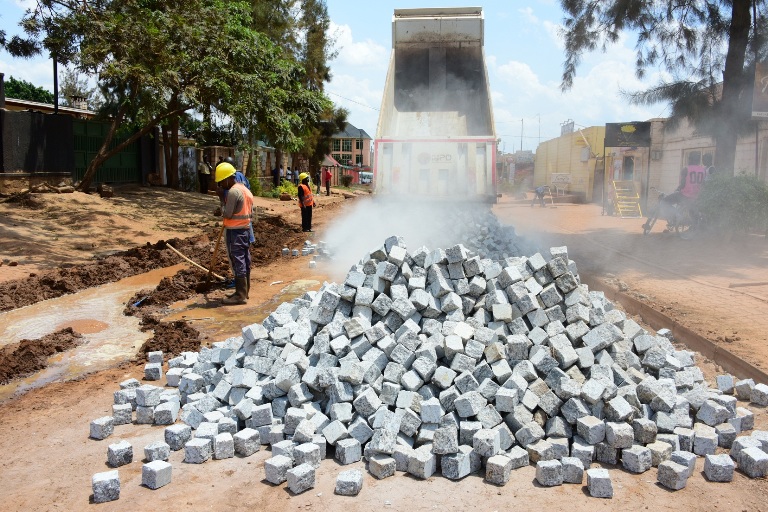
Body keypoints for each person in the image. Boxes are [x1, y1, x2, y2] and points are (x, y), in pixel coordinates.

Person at [214, 161, 253, 305]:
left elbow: (228, 214)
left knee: (237, 261)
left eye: (221, 182)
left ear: (227, 178)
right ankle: (244, 291)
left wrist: (220, 201)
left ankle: (240, 295)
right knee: (245, 259)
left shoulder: (233, 192)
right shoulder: (245, 190)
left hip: (234, 232)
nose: (221, 186)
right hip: (245, 230)